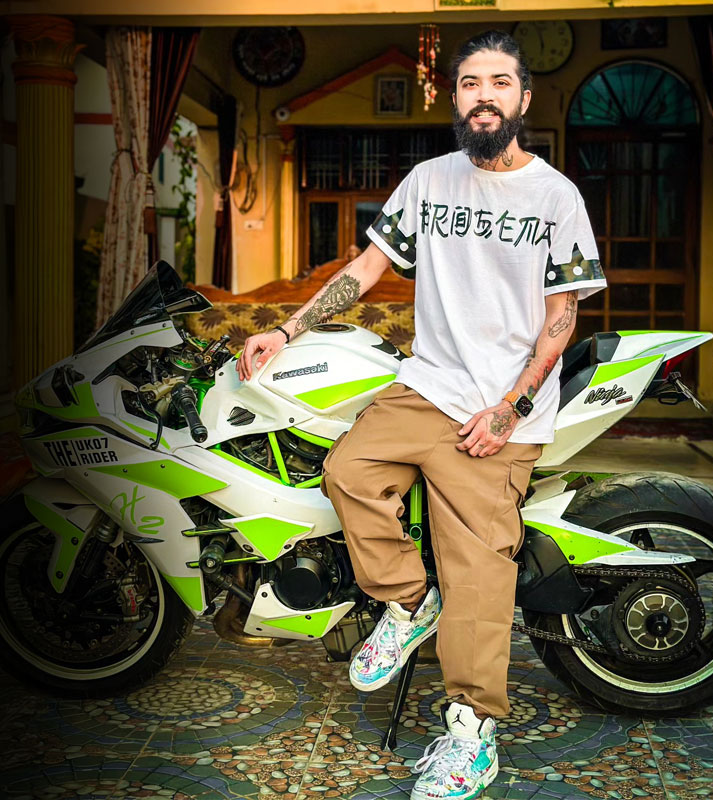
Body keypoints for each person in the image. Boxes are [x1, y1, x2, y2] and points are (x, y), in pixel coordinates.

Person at [237, 29, 605, 800]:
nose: (484, 97)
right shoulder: (429, 180)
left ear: (523, 98)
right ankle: (409, 601)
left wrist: (510, 408)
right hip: (429, 385)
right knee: (347, 470)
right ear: (456, 99)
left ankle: (472, 732)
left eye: (498, 83)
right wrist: (286, 329)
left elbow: (562, 317)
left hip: (502, 407)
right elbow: (368, 268)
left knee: (476, 566)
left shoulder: (555, 197)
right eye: (470, 83)